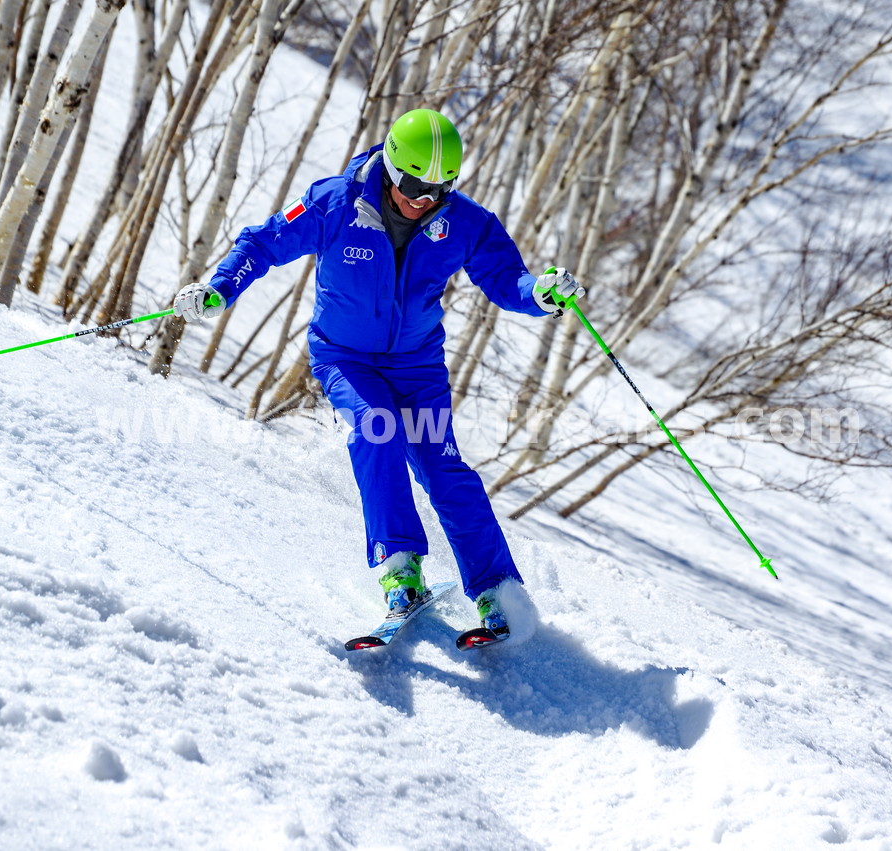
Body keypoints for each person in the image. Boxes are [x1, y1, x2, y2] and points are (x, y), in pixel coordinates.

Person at [174, 108, 584, 639]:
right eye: (414, 184)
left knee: (444, 470)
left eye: (438, 189)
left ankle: (496, 592)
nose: (423, 199)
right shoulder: (335, 202)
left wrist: (542, 294)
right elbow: (263, 242)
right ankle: (401, 572)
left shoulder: (462, 222)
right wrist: (219, 288)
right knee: (377, 430)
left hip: (418, 367)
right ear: (391, 165)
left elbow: (509, 281)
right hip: (346, 358)